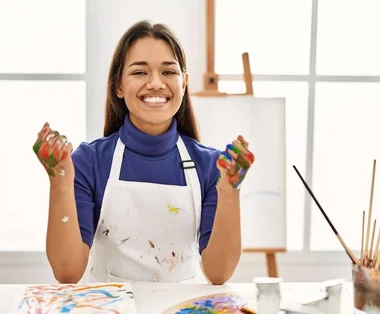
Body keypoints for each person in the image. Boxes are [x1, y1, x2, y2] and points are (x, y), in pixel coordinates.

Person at [33, 20, 254, 285]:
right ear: (118, 85)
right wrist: (59, 182)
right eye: (139, 73)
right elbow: (67, 272)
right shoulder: (89, 161)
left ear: (184, 83)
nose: (156, 83)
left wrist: (230, 191)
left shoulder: (209, 164)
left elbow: (219, 273)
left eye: (169, 72)